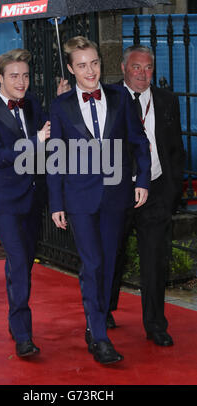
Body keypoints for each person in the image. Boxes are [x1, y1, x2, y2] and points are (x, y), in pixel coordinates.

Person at [47, 36, 151, 364]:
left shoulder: (120, 97)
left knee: (107, 264)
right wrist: (56, 202)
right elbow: (55, 158)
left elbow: (139, 141)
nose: (90, 71)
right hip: (78, 198)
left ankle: (96, 322)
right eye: (81, 65)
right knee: (92, 263)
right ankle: (100, 335)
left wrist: (143, 179)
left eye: (94, 63)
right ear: (70, 69)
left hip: (116, 195)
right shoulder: (61, 106)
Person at [0, 48, 68, 358]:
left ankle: (16, 321)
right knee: (18, 261)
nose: (21, 81)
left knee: (23, 262)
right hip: (4, 201)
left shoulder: (32, 103)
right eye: (14, 76)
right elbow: (0, 157)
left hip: (33, 196)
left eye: (25, 75)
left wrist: (60, 100)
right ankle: (23, 334)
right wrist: (34, 143)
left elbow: (49, 133)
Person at [107, 45, 185, 347]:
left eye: (148, 67)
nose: (143, 73)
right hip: (119, 192)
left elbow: (176, 148)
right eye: (137, 67)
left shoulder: (166, 100)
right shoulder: (109, 97)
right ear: (124, 68)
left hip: (154, 191)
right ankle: (105, 310)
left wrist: (172, 192)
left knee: (155, 261)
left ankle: (155, 325)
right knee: (113, 255)